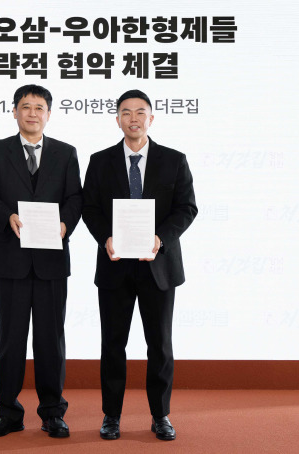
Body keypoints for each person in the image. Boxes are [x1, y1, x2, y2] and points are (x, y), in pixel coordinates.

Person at [82, 89, 197, 441]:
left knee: (160, 345)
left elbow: (187, 208)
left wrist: (161, 239)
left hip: (158, 267)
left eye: (140, 112)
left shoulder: (174, 160)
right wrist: (105, 237)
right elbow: (90, 208)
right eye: (126, 112)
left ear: (151, 118)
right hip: (115, 265)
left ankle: (160, 415)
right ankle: (111, 415)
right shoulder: (100, 161)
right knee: (112, 344)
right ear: (117, 119)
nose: (133, 118)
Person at [0, 84, 82, 438]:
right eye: (25, 106)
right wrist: (7, 216)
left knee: (51, 340)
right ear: (14, 112)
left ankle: (53, 413)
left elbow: (75, 198)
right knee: (11, 339)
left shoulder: (66, 153)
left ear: (48, 114)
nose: (32, 113)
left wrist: (65, 224)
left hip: (51, 260)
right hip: (11, 259)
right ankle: (8, 413)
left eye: (39, 107)